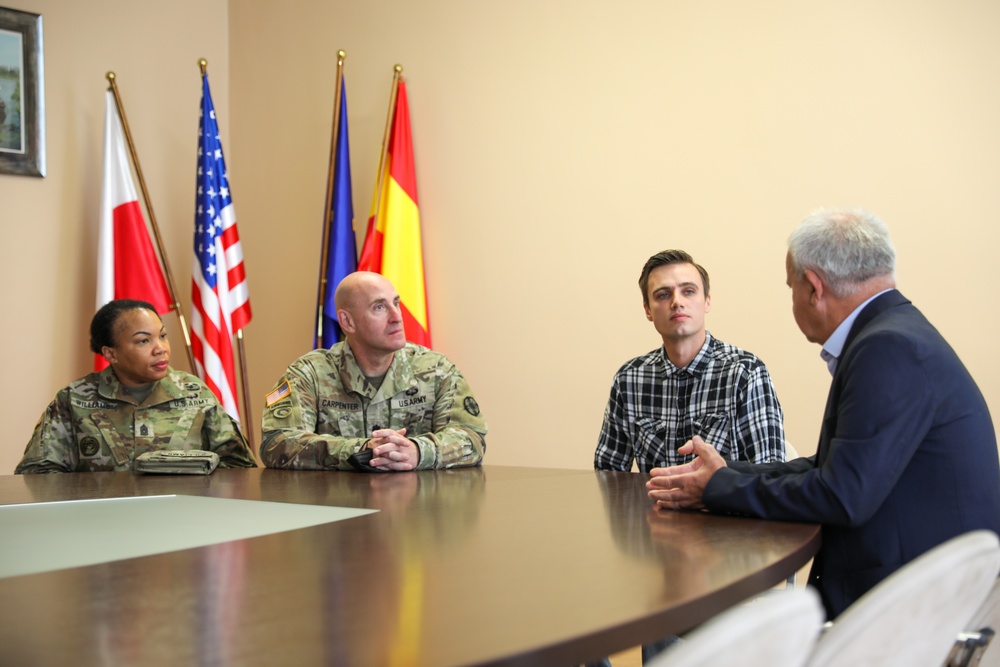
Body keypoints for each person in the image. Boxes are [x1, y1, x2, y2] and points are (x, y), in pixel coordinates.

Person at [647, 208, 1000, 618]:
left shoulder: (887, 349)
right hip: (931, 586)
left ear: (813, 287)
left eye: (790, 286)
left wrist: (718, 487)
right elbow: (832, 468)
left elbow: (841, 495)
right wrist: (726, 475)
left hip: (913, 609)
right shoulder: (898, 332)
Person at [260, 271, 487, 471]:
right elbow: (277, 443)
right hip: (337, 510)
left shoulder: (437, 370)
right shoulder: (309, 374)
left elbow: (472, 438)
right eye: (379, 307)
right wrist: (362, 450)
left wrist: (418, 452)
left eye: (396, 303)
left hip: (416, 511)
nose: (397, 317)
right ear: (347, 322)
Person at [595, 249, 786, 473]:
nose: (677, 302)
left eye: (688, 291)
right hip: (652, 507)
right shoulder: (629, 379)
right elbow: (608, 475)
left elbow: (770, 475)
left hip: (723, 507)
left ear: (706, 301)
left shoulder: (745, 372)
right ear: (648, 310)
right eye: (663, 295)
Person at [16, 299, 256, 473]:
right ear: (111, 354)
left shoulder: (195, 393)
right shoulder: (76, 399)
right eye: (143, 340)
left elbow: (239, 466)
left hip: (183, 522)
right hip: (102, 527)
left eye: (162, 335)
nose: (160, 348)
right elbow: (38, 474)